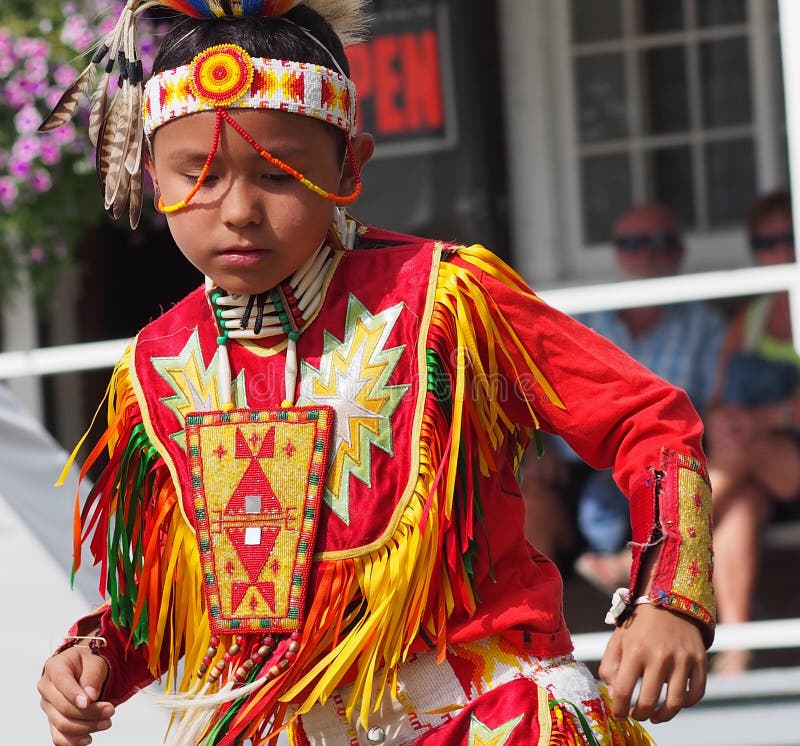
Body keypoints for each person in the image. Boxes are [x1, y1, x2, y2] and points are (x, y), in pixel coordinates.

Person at [37, 3, 715, 745]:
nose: (237, 210)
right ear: (150, 177)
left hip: (489, 720)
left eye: (277, 172)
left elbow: (647, 422)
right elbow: (182, 595)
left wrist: (669, 598)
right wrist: (96, 656)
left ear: (350, 165)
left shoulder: (447, 300)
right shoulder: (156, 368)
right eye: (195, 175)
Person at [524, 203, 727, 593]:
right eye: (633, 243)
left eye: (660, 242)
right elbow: (534, 394)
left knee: (727, 485)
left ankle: (643, 575)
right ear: (616, 251)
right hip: (583, 469)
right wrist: (538, 449)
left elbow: (717, 408)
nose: (646, 253)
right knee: (530, 502)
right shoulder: (585, 318)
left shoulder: (706, 325)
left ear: (680, 251)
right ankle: (536, 642)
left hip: (668, 466)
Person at [706, 188, 800, 674]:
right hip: (756, 472)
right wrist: (723, 423)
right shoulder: (751, 320)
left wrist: (764, 420)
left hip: (788, 465)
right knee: (739, 505)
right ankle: (737, 649)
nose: (779, 252)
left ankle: (663, 545)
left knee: (751, 452)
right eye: (766, 244)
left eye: (789, 238)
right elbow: (718, 401)